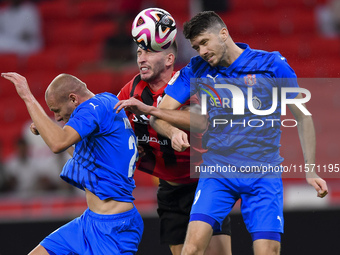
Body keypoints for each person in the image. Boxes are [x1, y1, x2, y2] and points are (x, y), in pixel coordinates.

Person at [116, 11, 329, 255]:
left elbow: (303, 117)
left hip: (262, 175)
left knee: (268, 251)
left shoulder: (271, 66)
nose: (202, 51)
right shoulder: (197, 69)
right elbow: (159, 113)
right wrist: (172, 130)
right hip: (217, 173)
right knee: (192, 249)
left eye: (205, 42)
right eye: (196, 47)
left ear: (224, 34)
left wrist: (310, 169)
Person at [1, 72, 143, 255]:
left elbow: (58, 143)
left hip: (115, 228)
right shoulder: (105, 101)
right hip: (88, 223)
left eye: (57, 110)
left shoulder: (93, 108)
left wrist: (28, 97)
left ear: (73, 99)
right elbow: (77, 152)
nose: (58, 118)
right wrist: (47, 131)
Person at [115, 41, 232, 255]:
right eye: (139, 52)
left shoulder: (189, 84)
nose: (141, 58)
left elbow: (204, 120)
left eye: (149, 52)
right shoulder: (132, 89)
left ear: (169, 59)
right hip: (170, 191)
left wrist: (172, 129)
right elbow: (106, 122)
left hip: (204, 185)